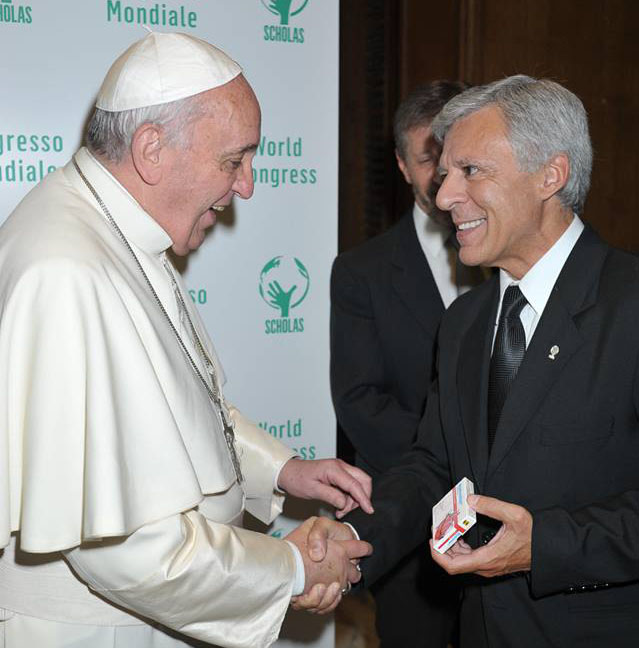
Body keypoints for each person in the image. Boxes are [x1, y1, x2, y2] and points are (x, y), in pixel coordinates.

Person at [0, 31, 373, 648]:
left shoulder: (111, 232)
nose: (248, 186)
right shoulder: (66, 270)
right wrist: (292, 566)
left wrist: (282, 470)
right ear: (152, 150)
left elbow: (176, 402)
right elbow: (127, 548)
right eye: (233, 161)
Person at [302, 74, 639, 646]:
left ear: (550, 176)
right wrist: (354, 539)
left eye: (470, 171)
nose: (443, 196)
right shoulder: (465, 323)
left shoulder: (628, 305)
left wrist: (545, 544)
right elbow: (434, 466)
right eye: (443, 173)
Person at [330, 81, 480, 647]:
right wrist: (458, 472)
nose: (445, 176)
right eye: (429, 159)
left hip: (511, 524)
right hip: (410, 524)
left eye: (459, 158)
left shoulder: (509, 258)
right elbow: (360, 401)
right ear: (400, 164)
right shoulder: (361, 272)